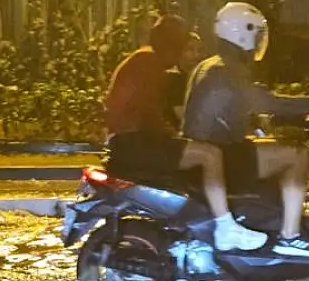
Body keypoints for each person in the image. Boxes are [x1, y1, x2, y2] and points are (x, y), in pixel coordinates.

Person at [104, 14, 266, 252]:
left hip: (130, 141)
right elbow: (146, 110)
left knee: (201, 153)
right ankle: (225, 228)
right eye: (181, 48)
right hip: (133, 143)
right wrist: (174, 138)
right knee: (209, 155)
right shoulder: (149, 63)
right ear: (171, 47)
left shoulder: (146, 60)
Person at [182, 2, 309, 258]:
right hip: (222, 154)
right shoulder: (227, 70)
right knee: (298, 155)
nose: (261, 41)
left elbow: (236, 107)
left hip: (210, 148)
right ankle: (290, 236)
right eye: (258, 34)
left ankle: (274, 218)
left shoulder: (212, 65)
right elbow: (265, 102)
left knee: (276, 145)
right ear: (243, 33)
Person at [165, 31, 203, 128]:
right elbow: (184, 117)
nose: (196, 55)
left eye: (199, 50)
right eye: (190, 49)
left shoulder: (194, 76)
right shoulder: (174, 77)